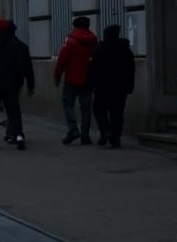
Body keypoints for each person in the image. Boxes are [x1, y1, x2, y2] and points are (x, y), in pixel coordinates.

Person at [0, 17, 34, 149]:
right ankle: (19, 135)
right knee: (14, 111)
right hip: (11, 83)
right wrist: (21, 80)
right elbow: (24, 65)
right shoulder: (16, 44)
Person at [88, 24, 137, 147]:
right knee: (117, 112)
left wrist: (91, 84)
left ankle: (105, 130)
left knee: (98, 109)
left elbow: (93, 68)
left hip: (103, 86)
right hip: (120, 87)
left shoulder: (100, 49)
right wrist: (130, 85)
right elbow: (131, 70)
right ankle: (115, 137)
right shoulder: (125, 49)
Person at [53, 16, 99, 145]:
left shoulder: (71, 40)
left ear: (75, 26)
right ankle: (85, 136)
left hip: (72, 79)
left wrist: (57, 76)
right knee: (86, 108)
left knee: (68, 105)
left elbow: (62, 59)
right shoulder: (93, 40)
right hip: (88, 79)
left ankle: (73, 129)